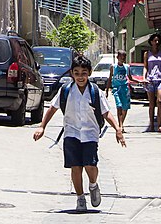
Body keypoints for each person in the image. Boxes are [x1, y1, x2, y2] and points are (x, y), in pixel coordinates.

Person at [33, 54, 126, 213]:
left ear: (89, 73)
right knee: (75, 167)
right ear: (72, 74)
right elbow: (52, 108)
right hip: (71, 133)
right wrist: (42, 126)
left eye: (83, 73)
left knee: (90, 165)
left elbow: (106, 113)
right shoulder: (66, 90)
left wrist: (118, 129)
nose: (80, 77)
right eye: (77, 73)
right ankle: (80, 198)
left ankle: (93, 184)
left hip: (90, 134)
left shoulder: (95, 91)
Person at [106, 49, 140, 133]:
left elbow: (130, 78)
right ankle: (120, 126)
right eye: (121, 57)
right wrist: (107, 90)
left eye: (124, 58)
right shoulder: (113, 67)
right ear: (117, 57)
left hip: (125, 89)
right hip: (116, 89)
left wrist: (140, 81)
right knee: (119, 106)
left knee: (125, 107)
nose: (122, 59)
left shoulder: (127, 67)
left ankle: (121, 123)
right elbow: (110, 79)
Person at [143, 33, 161, 132]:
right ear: (151, 42)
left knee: (160, 101)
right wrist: (144, 77)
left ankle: (159, 125)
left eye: (158, 41)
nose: (156, 42)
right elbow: (145, 66)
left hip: (160, 79)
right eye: (155, 41)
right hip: (150, 80)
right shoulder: (147, 54)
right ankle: (152, 125)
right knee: (151, 104)